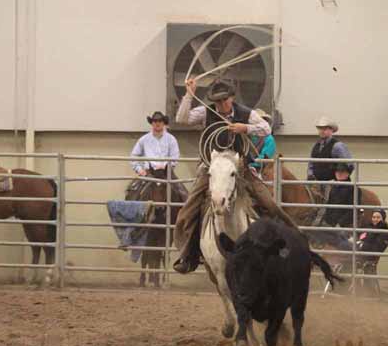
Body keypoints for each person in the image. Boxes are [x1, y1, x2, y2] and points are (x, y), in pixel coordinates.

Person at [172, 79, 299, 273]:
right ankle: (189, 254)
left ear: (232, 98)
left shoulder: (246, 113)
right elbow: (182, 118)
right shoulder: (207, 112)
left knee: (268, 202)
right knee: (189, 209)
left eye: (224, 100)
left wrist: (245, 128)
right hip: (211, 167)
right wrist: (189, 95)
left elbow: (266, 128)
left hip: (241, 167)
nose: (221, 105)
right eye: (217, 101)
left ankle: (292, 244)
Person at [128, 111, 186, 200]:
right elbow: (133, 156)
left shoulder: (171, 139)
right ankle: (130, 211)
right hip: (148, 173)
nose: (157, 123)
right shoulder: (144, 139)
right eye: (155, 121)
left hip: (167, 173)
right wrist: (140, 170)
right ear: (152, 123)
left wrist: (167, 166)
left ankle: (187, 211)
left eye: (160, 121)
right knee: (132, 192)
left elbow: (175, 157)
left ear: (164, 123)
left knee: (184, 194)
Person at [307, 117, 353, 181]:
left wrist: (340, 177)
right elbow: (311, 163)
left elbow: (349, 164)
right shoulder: (316, 145)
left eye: (325, 128)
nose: (322, 131)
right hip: (316, 182)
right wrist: (310, 174)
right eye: (320, 128)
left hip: (333, 182)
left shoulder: (337, 146)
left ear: (332, 130)